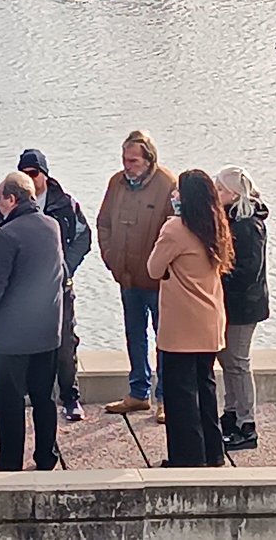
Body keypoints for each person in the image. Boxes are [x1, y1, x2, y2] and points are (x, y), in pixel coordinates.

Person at [0, 173, 65, 472]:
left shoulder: (8, 236)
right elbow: (27, 244)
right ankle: (47, 458)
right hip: (47, 333)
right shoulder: (52, 226)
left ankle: (9, 462)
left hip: (13, 338)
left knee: (10, 402)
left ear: (11, 199)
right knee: (44, 398)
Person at [0, 149, 91, 422]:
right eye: (24, 173)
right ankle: (25, 396)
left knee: (64, 343)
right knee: (25, 348)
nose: (29, 178)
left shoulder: (66, 204)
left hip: (57, 288)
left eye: (34, 173)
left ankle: (70, 397)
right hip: (20, 292)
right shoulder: (5, 205)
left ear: (45, 175)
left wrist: (64, 268)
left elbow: (84, 238)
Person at [146, 169, 234, 468]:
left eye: (178, 192)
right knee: (205, 388)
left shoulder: (175, 229)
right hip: (210, 320)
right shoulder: (216, 226)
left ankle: (187, 458)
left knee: (180, 393)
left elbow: (153, 268)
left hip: (182, 325)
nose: (174, 197)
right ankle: (213, 452)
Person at [96, 130, 177, 423]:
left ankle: (165, 398)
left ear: (148, 160)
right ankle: (138, 393)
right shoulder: (116, 183)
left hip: (158, 281)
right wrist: (110, 257)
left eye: (132, 160)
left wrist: (162, 267)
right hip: (126, 277)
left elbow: (176, 231)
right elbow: (103, 222)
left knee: (163, 339)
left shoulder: (168, 184)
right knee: (134, 335)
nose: (127, 165)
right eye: (124, 159)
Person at [214, 166, 270, 452]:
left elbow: (248, 271)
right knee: (228, 361)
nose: (217, 194)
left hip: (243, 306)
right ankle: (231, 414)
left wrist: (218, 276)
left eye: (221, 190)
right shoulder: (231, 219)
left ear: (234, 194)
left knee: (237, 362)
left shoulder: (248, 226)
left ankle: (247, 425)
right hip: (231, 303)